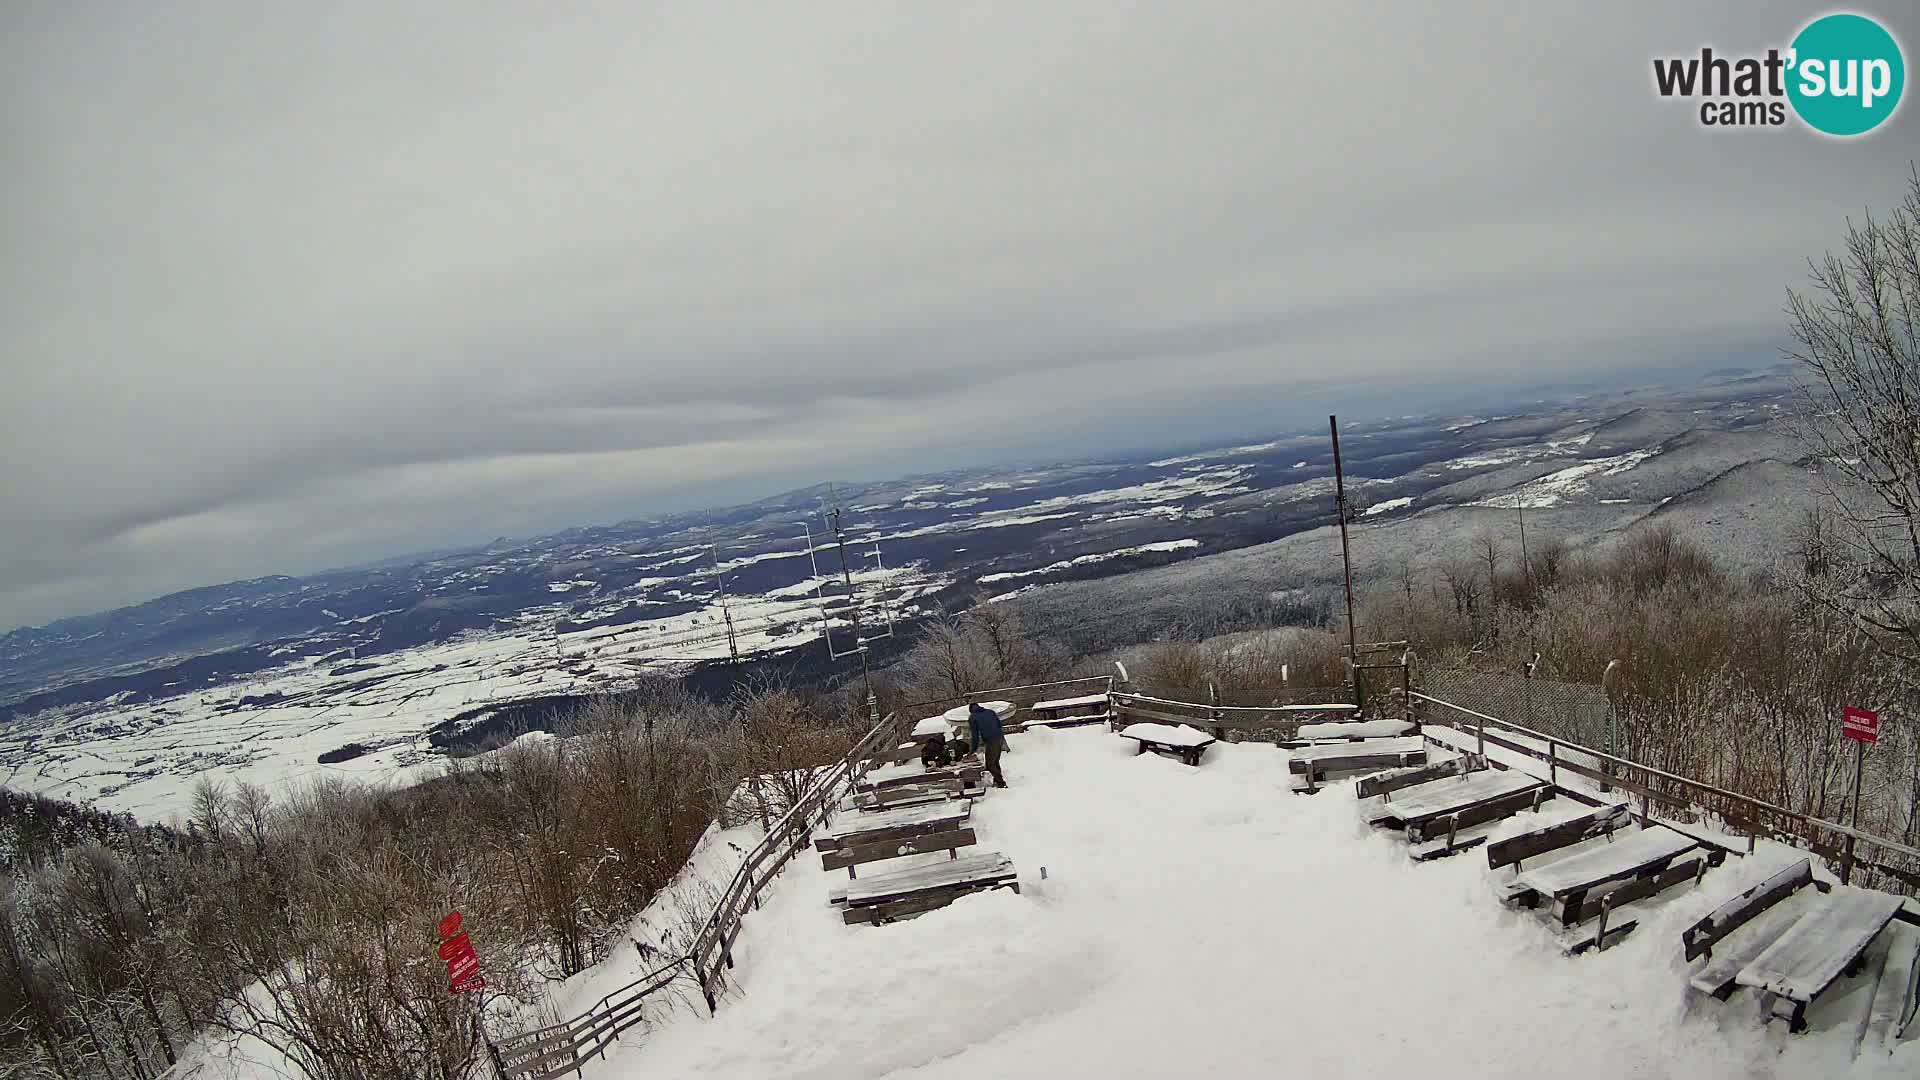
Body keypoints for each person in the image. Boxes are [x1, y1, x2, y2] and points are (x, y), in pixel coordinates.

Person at [966, 702, 1009, 788]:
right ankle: (997, 781)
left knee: (990, 764)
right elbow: (999, 725)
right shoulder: (990, 712)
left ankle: (1001, 783)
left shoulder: (973, 717)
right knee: (995, 761)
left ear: (971, 711)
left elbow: (975, 736)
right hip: (999, 738)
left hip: (991, 740)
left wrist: (973, 750)